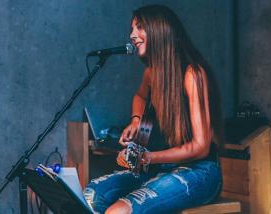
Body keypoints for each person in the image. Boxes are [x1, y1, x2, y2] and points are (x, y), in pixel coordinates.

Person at [83, 4, 223, 214]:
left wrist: (149, 157)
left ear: (160, 30)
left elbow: (201, 147)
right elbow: (140, 96)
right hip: (159, 169)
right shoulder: (152, 73)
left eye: (140, 27)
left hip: (200, 171)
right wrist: (136, 121)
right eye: (132, 29)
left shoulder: (192, 74)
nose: (132, 35)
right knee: (89, 197)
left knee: (118, 211)